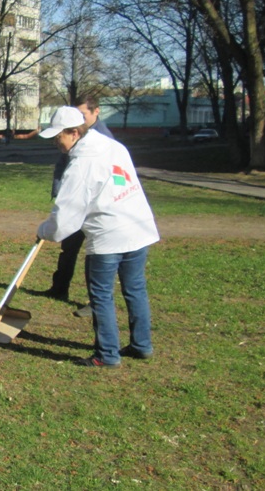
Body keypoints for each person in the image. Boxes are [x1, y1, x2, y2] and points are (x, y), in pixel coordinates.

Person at [36, 106, 158, 367]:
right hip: (138, 228)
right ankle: (141, 345)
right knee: (135, 288)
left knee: (101, 296)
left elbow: (66, 217)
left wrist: (44, 230)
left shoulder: (81, 163)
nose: (56, 142)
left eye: (58, 136)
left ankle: (107, 355)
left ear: (74, 132)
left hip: (109, 236)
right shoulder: (114, 146)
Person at [39, 97, 115, 317]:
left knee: (95, 255)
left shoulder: (102, 141)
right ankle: (59, 287)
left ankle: (95, 301)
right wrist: (59, 193)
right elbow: (62, 166)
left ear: (96, 112)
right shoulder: (70, 140)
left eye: (83, 114)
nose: (80, 118)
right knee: (69, 248)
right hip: (73, 201)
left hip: (93, 209)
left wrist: (49, 227)